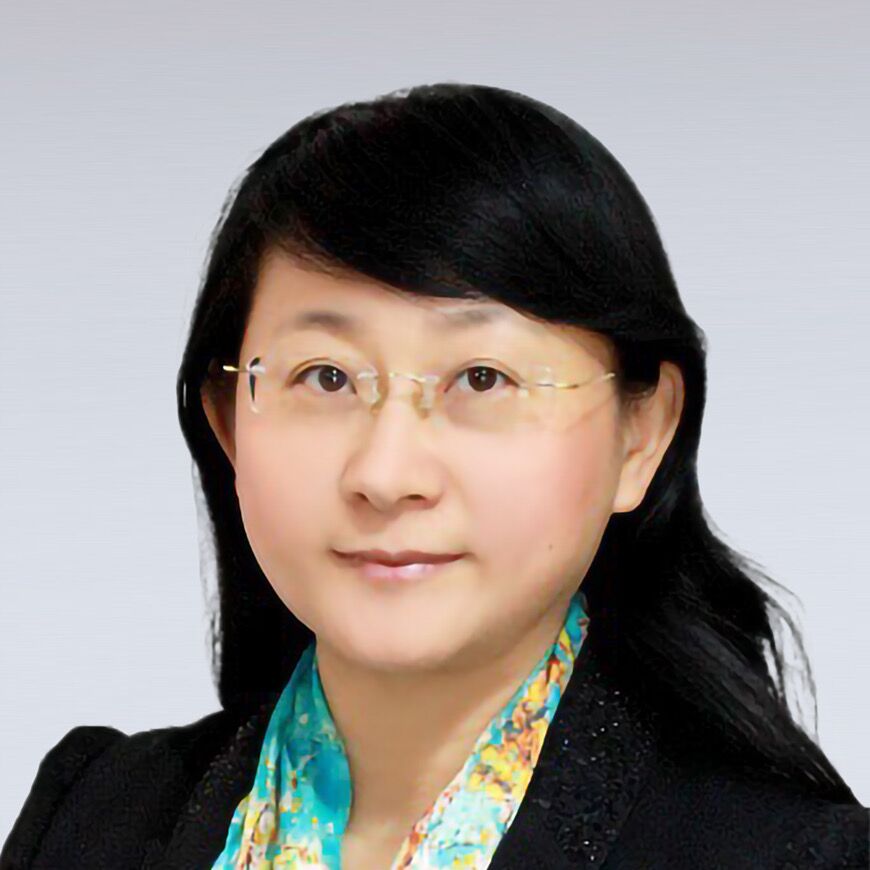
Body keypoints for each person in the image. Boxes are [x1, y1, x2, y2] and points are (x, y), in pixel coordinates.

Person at [2, 82, 867, 870]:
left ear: (641, 434)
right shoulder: (89, 819)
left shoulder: (793, 857)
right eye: (326, 377)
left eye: (482, 378)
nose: (386, 475)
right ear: (229, 423)